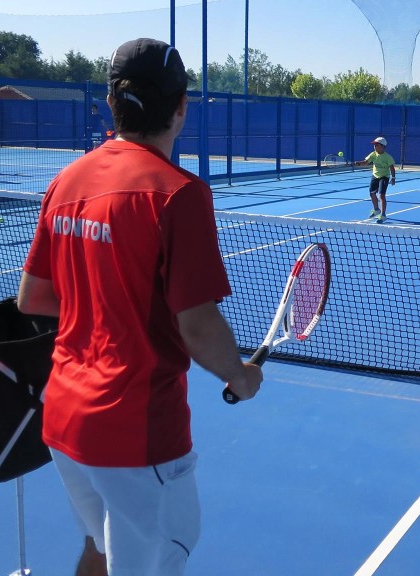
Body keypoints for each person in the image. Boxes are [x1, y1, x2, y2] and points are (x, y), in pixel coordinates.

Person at [16, 38, 262, 576]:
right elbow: (196, 326)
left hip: (63, 421)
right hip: (136, 434)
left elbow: (33, 297)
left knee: (100, 548)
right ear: (181, 107)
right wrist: (240, 376)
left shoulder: (66, 181)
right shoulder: (178, 193)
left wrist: (106, 310)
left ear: (111, 102)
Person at [355, 136, 396, 222]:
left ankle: (383, 215)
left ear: (382, 146)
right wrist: (359, 163)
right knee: (372, 193)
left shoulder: (387, 157)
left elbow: (392, 168)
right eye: (374, 145)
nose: (374, 146)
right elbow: (365, 162)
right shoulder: (373, 154)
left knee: (381, 195)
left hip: (384, 177)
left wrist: (393, 177)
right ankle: (377, 209)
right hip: (375, 176)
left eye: (376, 144)